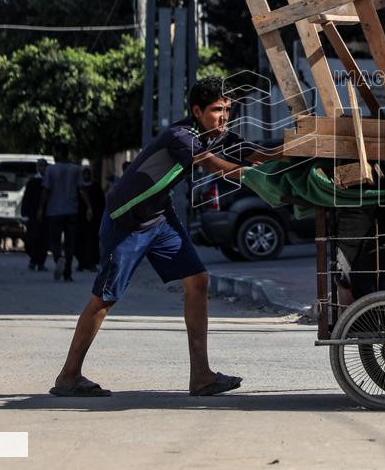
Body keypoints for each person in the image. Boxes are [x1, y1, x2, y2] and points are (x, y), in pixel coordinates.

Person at [50, 76, 276, 398]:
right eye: (216, 110)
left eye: (227, 109)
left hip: (159, 216)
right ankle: (68, 377)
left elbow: (253, 152)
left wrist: (291, 157)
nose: (224, 117)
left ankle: (201, 376)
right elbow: (210, 165)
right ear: (197, 111)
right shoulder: (180, 136)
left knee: (197, 280)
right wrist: (255, 176)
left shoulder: (217, 134)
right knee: (106, 297)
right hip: (127, 219)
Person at [40, 146, 91, 282]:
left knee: (54, 240)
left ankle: (58, 258)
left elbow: (46, 190)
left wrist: (40, 208)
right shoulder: (76, 169)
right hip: (71, 210)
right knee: (70, 243)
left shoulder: (51, 170)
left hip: (54, 211)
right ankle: (67, 273)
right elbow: (82, 189)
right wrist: (89, 207)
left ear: (57, 154)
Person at [21, 158, 49, 271]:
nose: (42, 168)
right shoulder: (32, 181)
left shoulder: (48, 181)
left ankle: (40, 263)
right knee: (31, 239)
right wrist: (25, 214)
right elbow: (27, 198)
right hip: (32, 215)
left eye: (44, 165)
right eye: (40, 165)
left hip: (46, 215)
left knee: (43, 240)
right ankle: (33, 259)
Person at [75, 166, 105, 272]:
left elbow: (101, 203)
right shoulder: (78, 187)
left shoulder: (96, 186)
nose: (86, 176)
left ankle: (91, 263)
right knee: (80, 240)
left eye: (88, 174)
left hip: (94, 219)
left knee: (93, 241)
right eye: (84, 174)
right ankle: (81, 262)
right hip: (81, 219)